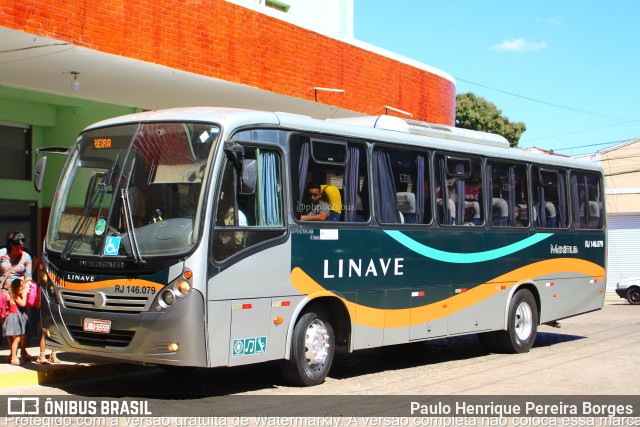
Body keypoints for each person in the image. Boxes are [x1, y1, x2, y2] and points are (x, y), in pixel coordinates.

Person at [0, 231, 34, 361]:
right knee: (8, 324)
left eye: (22, 247)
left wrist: (27, 286)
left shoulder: (26, 257)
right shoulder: (2, 253)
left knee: (22, 322)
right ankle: (12, 353)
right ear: (11, 245)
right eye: (17, 247)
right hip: (3, 293)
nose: (20, 250)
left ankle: (23, 350)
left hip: (19, 292)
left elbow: (28, 275)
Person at [3, 278, 28, 365]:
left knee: (11, 339)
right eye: (22, 287)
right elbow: (23, 303)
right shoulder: (15, 295)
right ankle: (14, 358)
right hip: (14, 318)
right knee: (16, 339)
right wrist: (25, 295)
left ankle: (12, 355)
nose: (23, 288)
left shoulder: (12, 294)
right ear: (17, 288)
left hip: (11, 318)